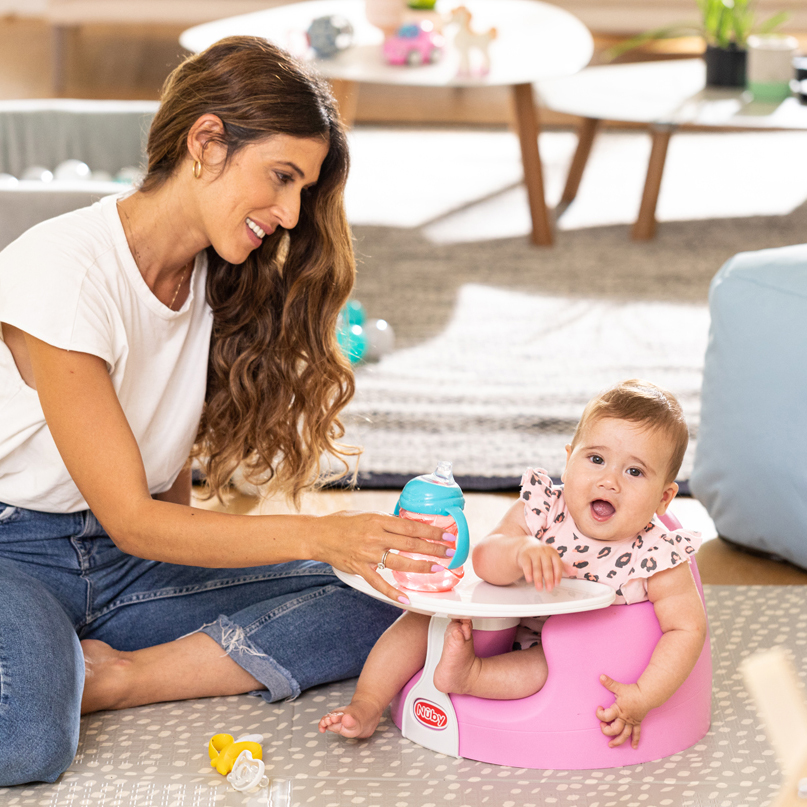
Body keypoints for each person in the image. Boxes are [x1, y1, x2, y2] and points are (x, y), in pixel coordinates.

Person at [0, 36, 453, 787]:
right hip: (16, 556)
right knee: (30, 740)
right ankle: (57, 675)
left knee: (386, 603)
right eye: (281, 177)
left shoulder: (211, 279)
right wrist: (322, 534)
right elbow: (135, 518)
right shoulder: (65, 270)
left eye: (303, 189)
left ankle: (119, 677)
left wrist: (345, 552)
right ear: (206, 141)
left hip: (118, 568)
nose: (288, 211)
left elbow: (164, 494)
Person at [319, 379, 708, 750]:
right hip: (504, 618)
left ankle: (470, 676)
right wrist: (520, 551)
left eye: (634, 471)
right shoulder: (543, 510)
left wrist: (644, 696)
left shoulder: (657, 554)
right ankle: (367, 703)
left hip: (570, 649)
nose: (609, 481)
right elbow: (486, 560)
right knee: (425, 619)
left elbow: (688, 628)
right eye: (596, 459)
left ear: (663, 498)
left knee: (547, 664)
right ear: (569, 459)